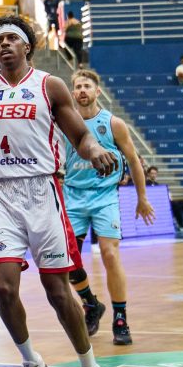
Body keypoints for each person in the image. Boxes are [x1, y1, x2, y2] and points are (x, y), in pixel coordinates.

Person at [0, 14, 117, 367]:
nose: (3, 44)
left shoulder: (49, 85)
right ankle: (31, 363)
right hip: (0, 196)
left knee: (58, 292)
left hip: (44, 192)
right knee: (4, 289)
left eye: (11, 38)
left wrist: (94, 150)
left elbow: (80, 135)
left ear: (27, 46)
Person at [63, 70, 156, 347]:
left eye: (87, 86)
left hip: (105, 196)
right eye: (78, 86)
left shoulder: (114, 123)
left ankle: (120, 319)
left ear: (97, 91)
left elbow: (134, 160)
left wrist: (142, 198)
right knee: (66, 261)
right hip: (73, 196)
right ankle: (91, 303)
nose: (82, 90)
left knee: (109, 254)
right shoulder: (64, 123)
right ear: (72, 93)